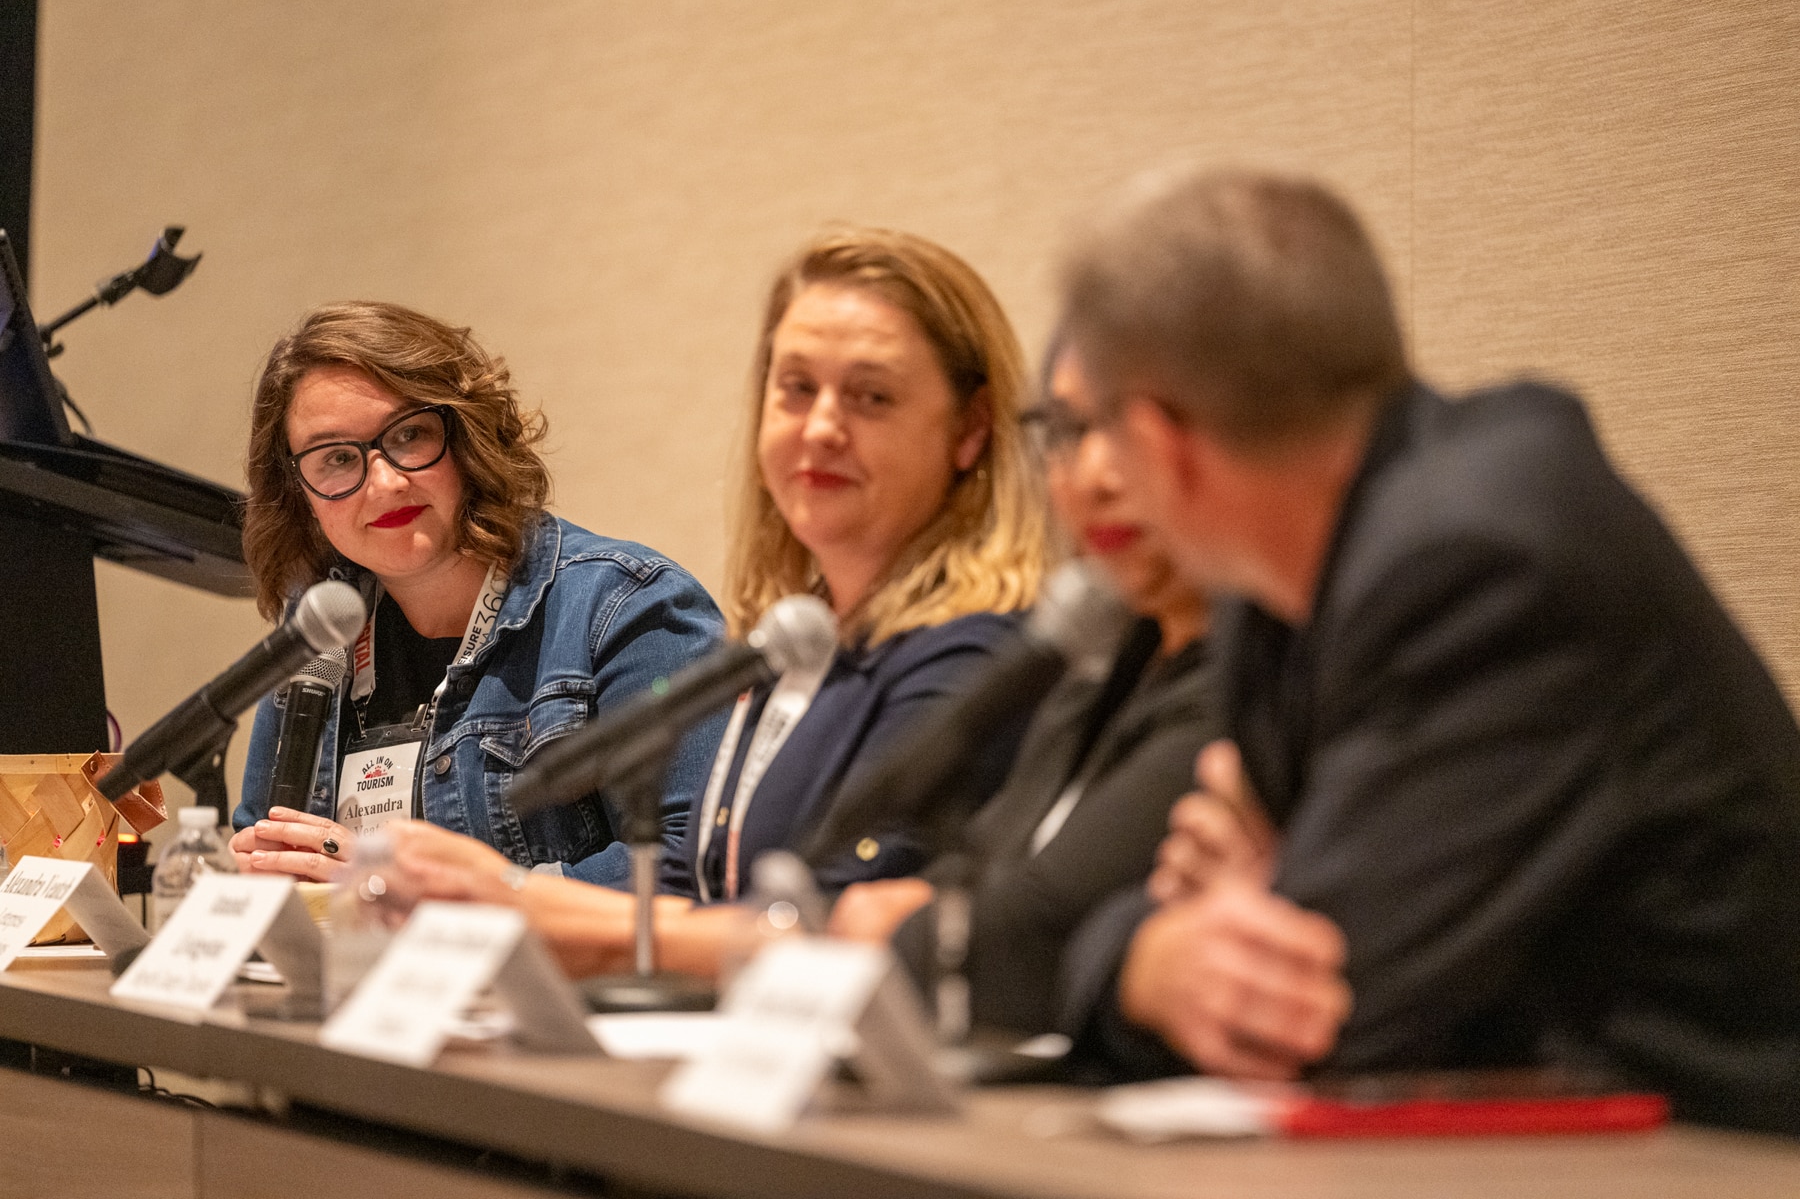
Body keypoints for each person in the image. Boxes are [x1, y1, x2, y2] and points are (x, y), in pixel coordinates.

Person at [1050, 166, 1800, 1135]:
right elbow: (1236, 934)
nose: (1098, 470)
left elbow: (1320, 1008)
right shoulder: (1272, 596)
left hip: (1725, 1159)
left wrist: (1166, 954)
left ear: (1163, 442)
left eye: (1097, 426)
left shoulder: (1483, 558)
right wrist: (1152, 961)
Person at [387, 228, 1049, 978]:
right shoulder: (798, 640)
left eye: (871, 396)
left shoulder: (973, 653)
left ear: (970, 429)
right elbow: (700, 892)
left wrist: (509, 901)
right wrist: (475, 899)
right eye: (796, 388)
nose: (821, 427)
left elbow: (837, 932)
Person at [228, 301, 725, 889]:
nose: (384, 483)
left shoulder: (627, 608)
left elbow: (695, 864)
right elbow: (268, 849)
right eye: (337, 458)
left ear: (467, 438)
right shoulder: (317, 639)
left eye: (409, 435)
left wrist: (447, 898)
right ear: (298, 493)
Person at [829, 340, 1219, 1041]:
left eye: (1132, 428)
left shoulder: (1251, 678)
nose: (1095, 476)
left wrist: (900, 936)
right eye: (1067, 431)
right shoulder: (1109, 657)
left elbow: (1032, 938)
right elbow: (983, 865)